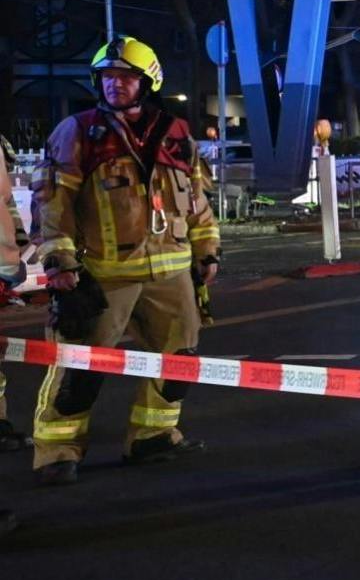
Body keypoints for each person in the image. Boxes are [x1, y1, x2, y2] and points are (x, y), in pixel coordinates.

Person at [30, 36, 220, 486]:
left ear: (147, 81)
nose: (116, 85)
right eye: (108, 77)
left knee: (178, 362)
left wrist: (207, 250)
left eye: (127, 77)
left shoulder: (175, 133)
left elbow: (197, 200)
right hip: (103, 276)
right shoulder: (77, 131)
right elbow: (53, 203)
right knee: (80, 369)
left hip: (171, 273)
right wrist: (59, 262)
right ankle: (56, 451)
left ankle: (153, 435)